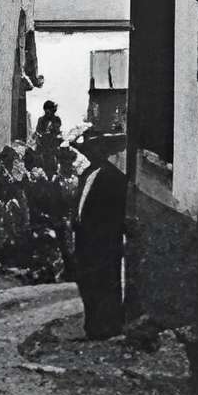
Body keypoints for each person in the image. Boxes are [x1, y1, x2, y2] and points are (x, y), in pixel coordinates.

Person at [72, 131, 127, 340]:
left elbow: (117, 213)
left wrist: (108, 235)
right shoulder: (86, 174)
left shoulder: (114, 178)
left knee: (105, 281)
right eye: (89, 149)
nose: (93, 152)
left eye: (96, 147)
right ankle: (93, 325)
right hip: (84, 240)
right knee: (87, 282)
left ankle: (109, 326)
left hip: (104, 242)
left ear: (104, 150)